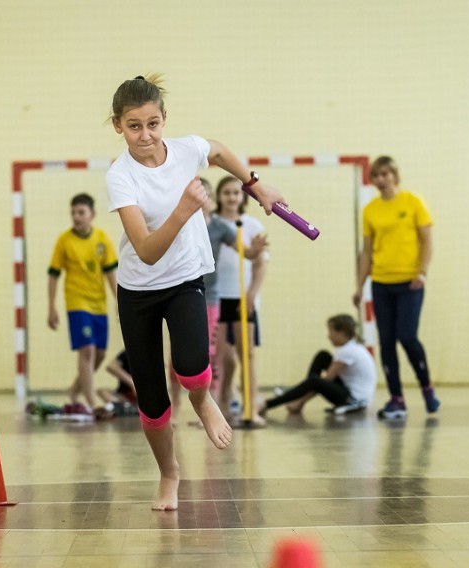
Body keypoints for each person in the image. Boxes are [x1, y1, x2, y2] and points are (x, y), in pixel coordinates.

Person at [106, 74, 286, 511]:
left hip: (186, 279)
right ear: (117, 126)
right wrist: (185, 210)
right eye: (134, 126)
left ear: (164, 119)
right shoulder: (120, 177)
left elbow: (219, 150)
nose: (145, 135)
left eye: (152, 123)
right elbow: (146, 251)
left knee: (191, 367)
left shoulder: (186, 150)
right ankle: (169, 474)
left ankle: (203, 401)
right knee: (152, 402)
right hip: (139, 291)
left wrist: (254, 183)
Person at [353, 156, 439, 420]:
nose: (381, 180)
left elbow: (426, 241)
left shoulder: (413, 202)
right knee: (386, 341)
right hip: (381, 282)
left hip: (410, 282)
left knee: (407, 336)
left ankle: (426, 387)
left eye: (385, 174)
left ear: (394, 175)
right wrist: (360, 286)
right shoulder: (370, 210)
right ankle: (396, 398)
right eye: (376, 175)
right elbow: (366, 252)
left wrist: (422, 273)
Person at [47, 193, 118, 414]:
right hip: (77, 304)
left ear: (92, 215)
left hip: (99, 305)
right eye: (73, 213)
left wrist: (120, 301)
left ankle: (74, 390)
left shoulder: (102, 239)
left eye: (81, 212)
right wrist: (51, 306)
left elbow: (110, 273)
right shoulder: (64, 241)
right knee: (86, 350)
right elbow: (53, 275)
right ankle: (91, 401)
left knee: (100, 354)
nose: (76, 217)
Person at [214, 176, 269, 426]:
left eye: (236, 193)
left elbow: (260, 263)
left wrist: (251, 294)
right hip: (216, 297)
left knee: (246, 355)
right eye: (226, 193)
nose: (231, 197)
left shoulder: (252, 225)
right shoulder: (211, 224)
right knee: (222, 358)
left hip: (242, 298)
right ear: (218, 196)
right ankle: (222, 406)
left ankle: (251, 408)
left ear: (243, 197)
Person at [261, 314, 377, 415]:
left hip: (354, 399)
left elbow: (326, 381)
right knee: (323, 356)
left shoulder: (347, 352)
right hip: (350, 391)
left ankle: (268, 404)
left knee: (315, 381)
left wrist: (300, 401)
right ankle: (296, 396)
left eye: (331, 332)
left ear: (341, 332)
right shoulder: (352, 347)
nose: (328, 336)